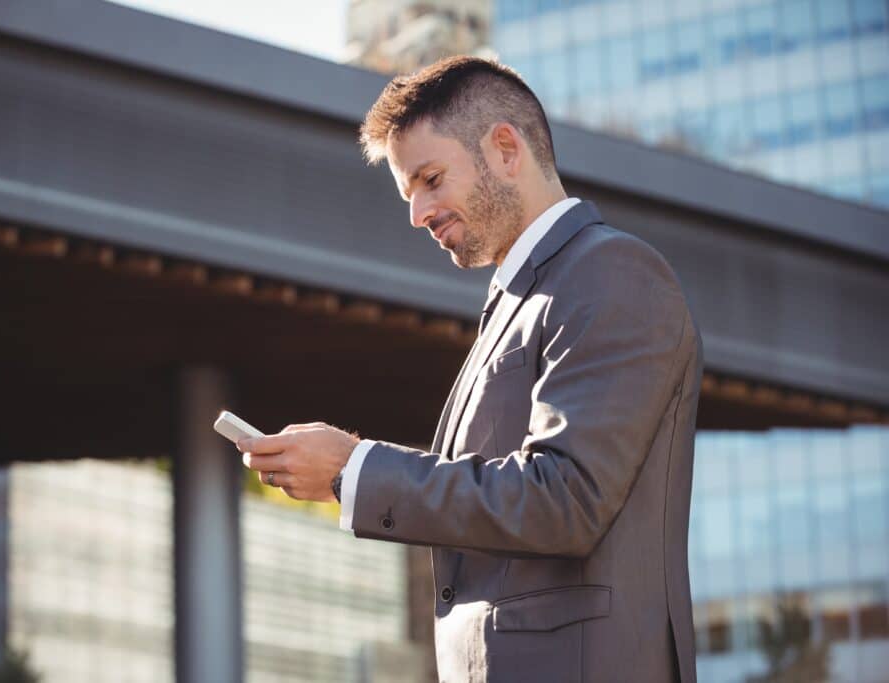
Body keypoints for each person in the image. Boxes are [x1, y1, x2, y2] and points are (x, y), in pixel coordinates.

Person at [239, 56, 703, 683]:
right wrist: (347, 471)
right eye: (409, 193)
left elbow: (566, 497)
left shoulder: (610, 271)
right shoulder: (519, 300)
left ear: (506, 149)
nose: (418, 213)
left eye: (431, 179)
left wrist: (356, 469)